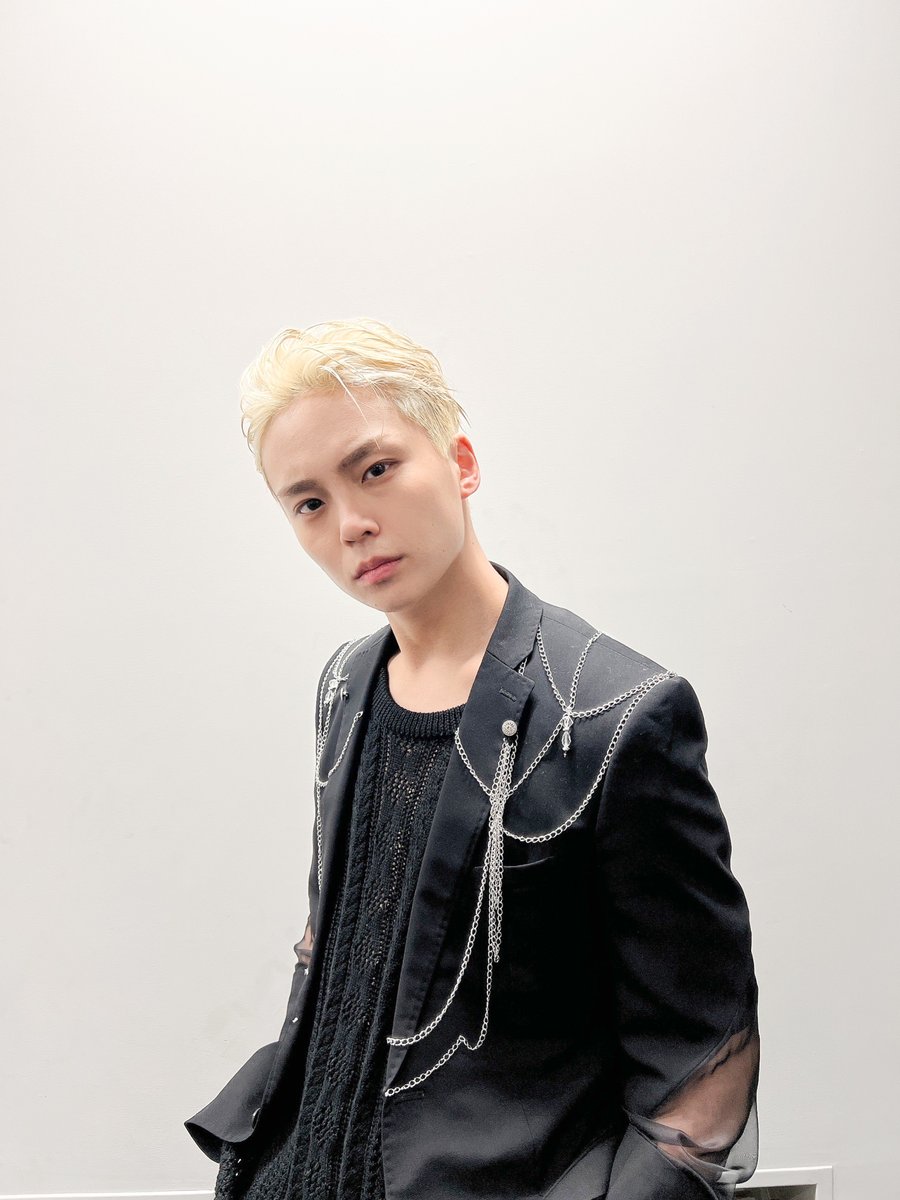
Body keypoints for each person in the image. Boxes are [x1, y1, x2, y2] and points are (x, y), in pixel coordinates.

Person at [185, 318, 760, 1200]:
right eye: (308, 503)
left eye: (375, 469)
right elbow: (346, 957)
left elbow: (700, 1070)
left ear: (460, 463)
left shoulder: (620, 715)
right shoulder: (345, 685)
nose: (352, 524)